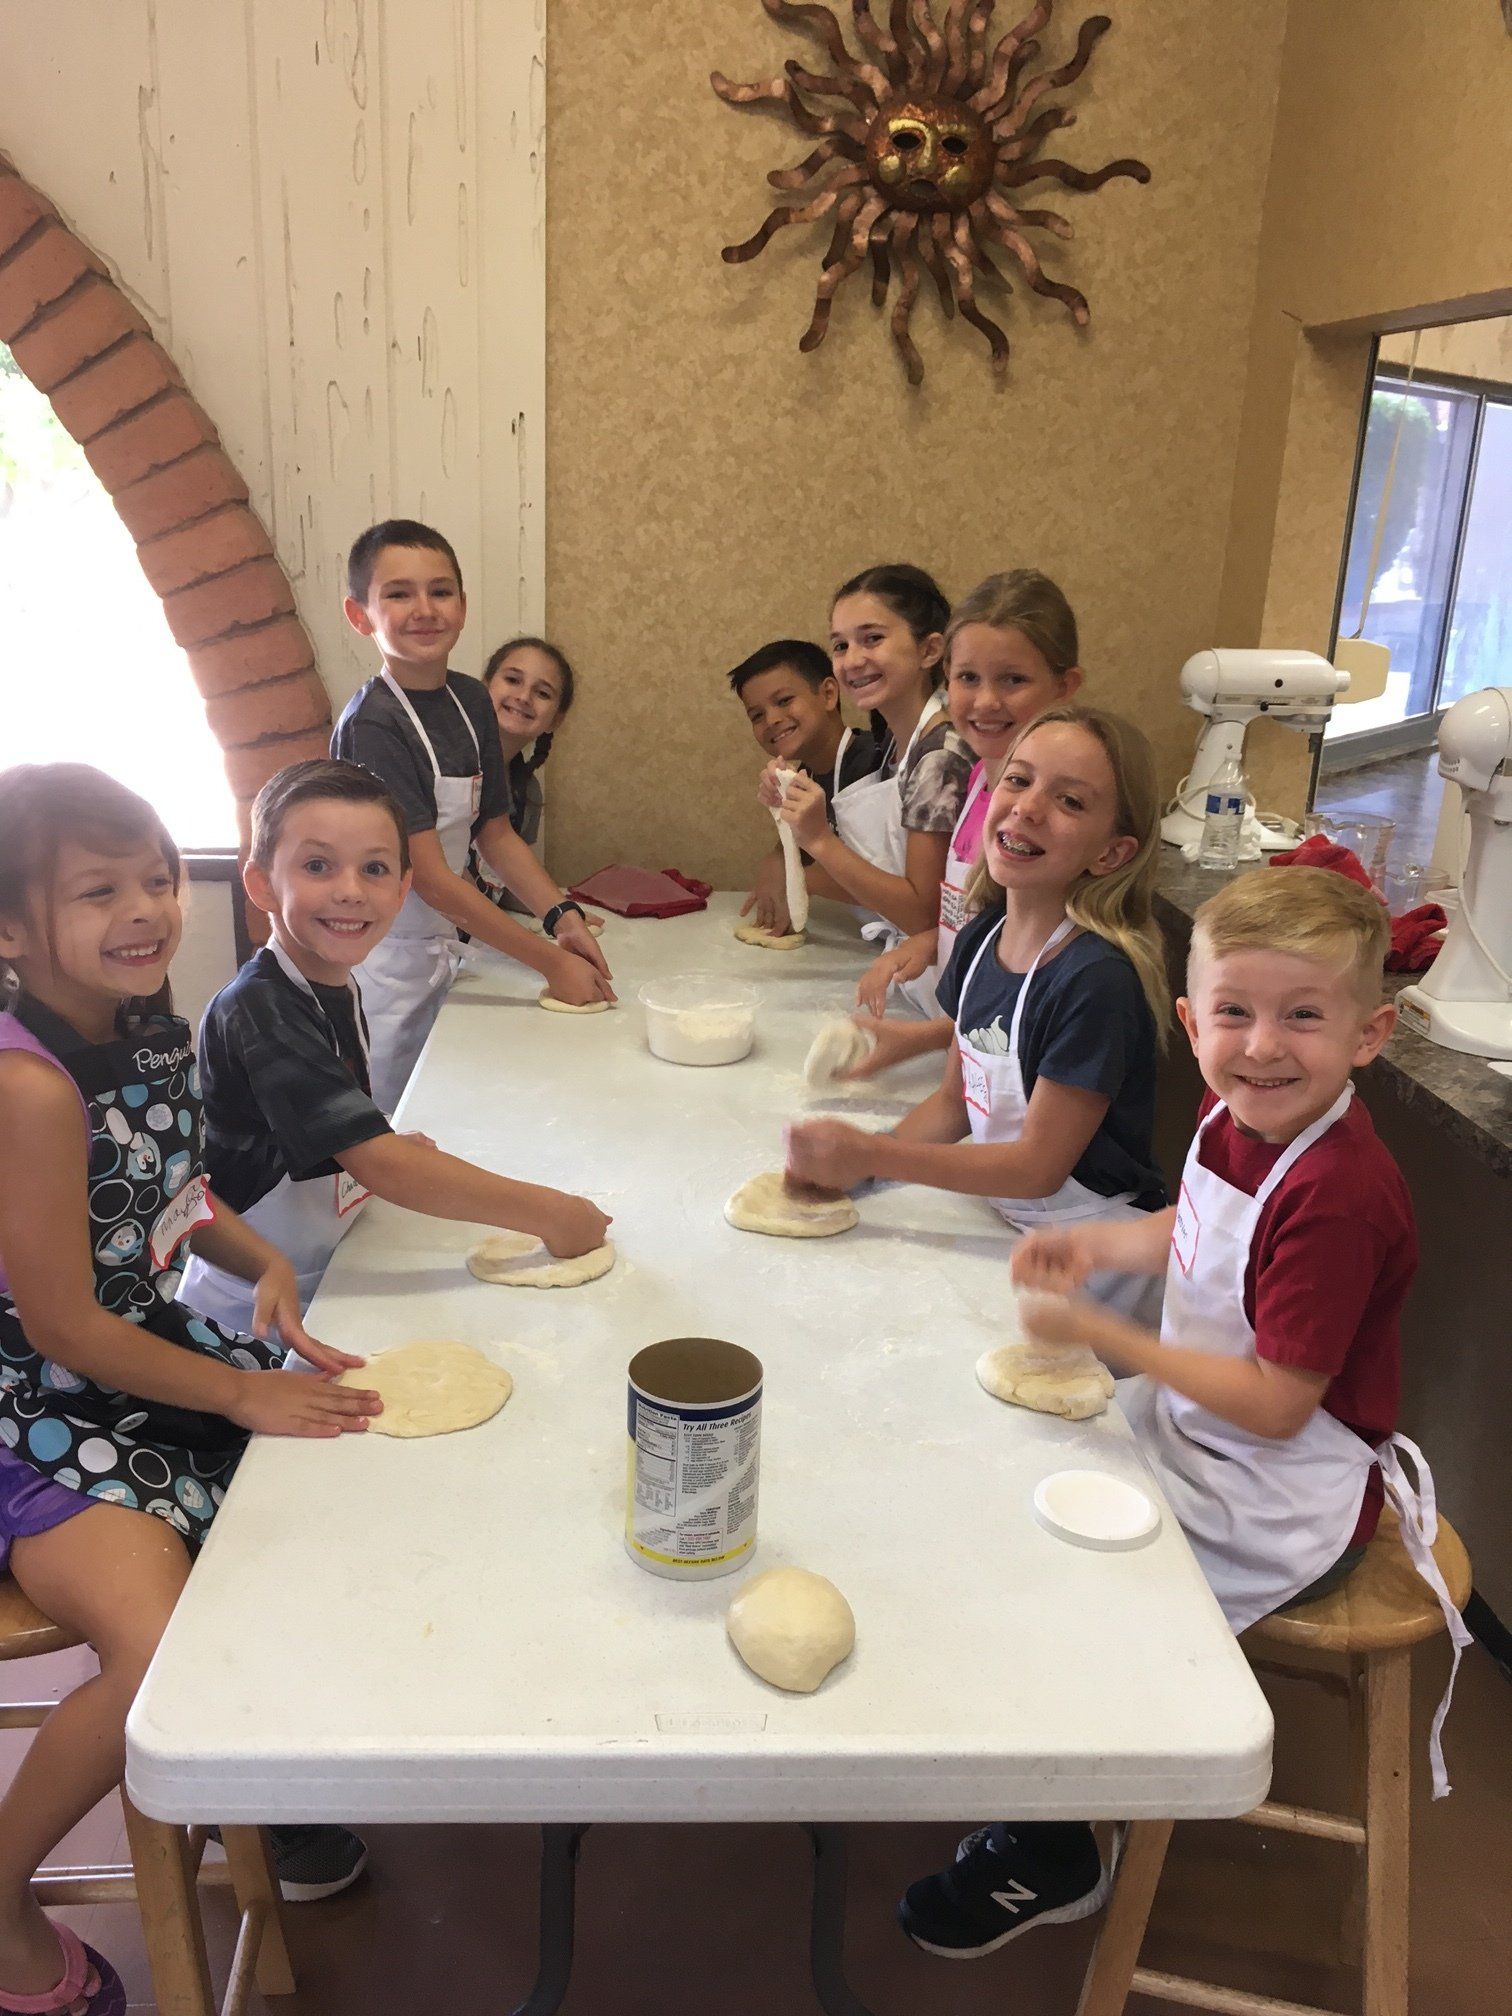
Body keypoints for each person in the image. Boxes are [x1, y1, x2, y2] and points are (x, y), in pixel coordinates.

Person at [897, 866, 1470, 1961]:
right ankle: (1047, 1757)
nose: (1261, 1045)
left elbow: (1273, 1402)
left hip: (1278, 1484)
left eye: (1303, 1016)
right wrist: (1103, 1245)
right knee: (1013, 1494)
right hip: (1198, 1428)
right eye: (1234, 1014)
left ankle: (1058, 1849)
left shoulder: (1339, 1194)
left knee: (1091, 1603)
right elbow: (1197, 1224)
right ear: (1190, 1022)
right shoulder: (1240, 1110)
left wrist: (1110, 1338)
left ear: (1371, 1033)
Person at [0, 765, 382, 2010]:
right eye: (99, 889)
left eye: (160, 878)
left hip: (136, 1356)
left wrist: (258, 1257)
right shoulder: (27, 1088)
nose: (147, 908)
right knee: (159, 1647)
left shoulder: (151, 1023)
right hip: (32, 1411)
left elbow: (172, 1195)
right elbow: (61, 1321)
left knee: (319, 1495)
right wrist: (236, 1396)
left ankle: (243, 1782)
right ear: (11, 930)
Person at [178, 760, 612, 1333]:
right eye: (317, 865)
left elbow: (306, 1122)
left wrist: (358, 1140)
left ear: (403, 888)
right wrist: (553, 1214)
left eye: (375, 868)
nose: (351, 891)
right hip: (250, 1306)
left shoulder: (334, 979)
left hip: (325, 1267)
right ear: (259, 883)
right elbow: (384, 1167)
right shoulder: (262, 1008)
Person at [786, 705, 1170, 1322]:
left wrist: (875, 1157)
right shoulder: (979, 939)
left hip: (1098, 1258)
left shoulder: (1096, 980)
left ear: (1112, 852)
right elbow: (956, 1102)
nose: (1028, 807)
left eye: (1070, 802)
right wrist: (858, 1173)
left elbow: (1037, 1167)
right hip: (1009, 1220)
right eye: (1018, 780)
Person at [332, 520, 614, 1114]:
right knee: (392, 1121)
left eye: (440, 591)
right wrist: (548, 961)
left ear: (462, 605)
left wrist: (562, 915)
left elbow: (495, 832)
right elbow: (431, 878)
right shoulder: (376, 724)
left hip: (451, 951)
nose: (424, 609)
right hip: (383, 965)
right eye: (398, 594)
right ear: (361, 616)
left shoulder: (470, 700)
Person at [850, 569, 1085, 1053]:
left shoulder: (1047, 814)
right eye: (968, 678)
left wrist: (917, 1041)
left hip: (1018, 1052)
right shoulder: (981, 780)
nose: (985, 701)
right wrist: (933, 941)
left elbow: (1034, 978)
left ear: (1066, 686)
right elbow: (991, 923)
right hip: (969, 1034)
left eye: (1013, 680)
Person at [762, 565, 972, 1013]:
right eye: (840, 644)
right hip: (914, 976)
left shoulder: (940, 757)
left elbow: (922, 914)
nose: (851, 660)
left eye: (871, 638)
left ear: (930, 649)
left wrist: (818, 839)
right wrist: (790, 811)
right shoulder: (895, 743)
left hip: (948, 989)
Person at [730, 639, 881, 934]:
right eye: (756, 715)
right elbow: (803, 842)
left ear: (827, 693)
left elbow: (885, 881)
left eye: (784, 700)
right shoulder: (807, 775)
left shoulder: (871, 764)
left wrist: (795, 879)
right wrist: (778, 858)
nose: (772, 719)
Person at [468, 635, 574, 915]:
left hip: (477, 941)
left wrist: (563, 913)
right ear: (483, 687)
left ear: (556, 720)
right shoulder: (445, 769)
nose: (524, 697)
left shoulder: (526, 792)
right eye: (513, 680)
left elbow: (505, 887)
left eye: (543, 693)